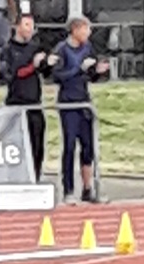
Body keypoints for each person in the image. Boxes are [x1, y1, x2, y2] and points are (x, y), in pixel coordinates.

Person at [46, 16, 110, 204]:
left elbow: (90, 76)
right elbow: (57, 76)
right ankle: (68, 189)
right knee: (69, 146)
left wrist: (97, 71)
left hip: (84, 101)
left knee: (88, 146)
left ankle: (88, 188)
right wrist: (79, 69)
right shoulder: (62, 49)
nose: (88, 33)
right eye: (85, 29)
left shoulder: (88, 48)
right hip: (68, 102)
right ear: (75, 30)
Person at [0, 12, 48, 180]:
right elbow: (13, 74)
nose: (30, 29)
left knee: (37, 146)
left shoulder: (36, 48)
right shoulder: (8, 50)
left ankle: (35, 178)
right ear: (17, 26)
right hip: (16, 105)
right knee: (16, 146)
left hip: (35, 104)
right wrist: (32, 65)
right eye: (27, 25)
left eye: (32, 26)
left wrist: (48, 63)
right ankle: (16, 179)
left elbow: (46, 72)